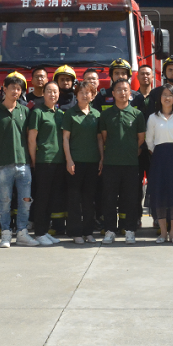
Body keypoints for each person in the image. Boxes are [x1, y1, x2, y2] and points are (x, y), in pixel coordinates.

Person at [0, 74, 37, 248]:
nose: (15, 91)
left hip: (23, 163)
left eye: (18, 89)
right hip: (2, 165)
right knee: (5, 201)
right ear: (4, 89)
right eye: (12, 88)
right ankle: (6, 233)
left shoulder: (25, 111)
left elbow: (30, 138)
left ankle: (22, 232)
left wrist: (31, 160)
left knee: (25, 200)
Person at [99, 79, 147, 244]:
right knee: (109, 199)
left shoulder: (137, 114)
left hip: (131, 164)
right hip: (111, 163)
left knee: (131, 199)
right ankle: (110, 230)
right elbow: (104, 138)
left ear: (130, 93)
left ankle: (130, 230)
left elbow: (140, 139)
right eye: (118, 90)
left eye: (126, 89)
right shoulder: (106, 114)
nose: (122, 93)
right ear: (113, 93)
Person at [146, 84, 173, 244]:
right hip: (159, 159)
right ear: (160, 98)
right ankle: (163, 232)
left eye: (170, 95)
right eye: (164, 95)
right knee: (159, 196)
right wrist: (159, 154)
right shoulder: (153, 117)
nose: (167, 98)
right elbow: (149, 141)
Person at [27, 81, 66, 245]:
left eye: (55, 91)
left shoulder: (60, 113)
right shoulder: (38, 112)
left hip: (59, 161)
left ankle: (45, 231)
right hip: (43, 161)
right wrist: (34, 161)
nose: (52, 94)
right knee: (42, 197)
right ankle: (39, 232)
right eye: (49, 91)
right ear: (43, 94)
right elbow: (32, 139)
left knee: (52, 198)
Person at [63, 83, 102, 244]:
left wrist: (102, 158)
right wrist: (69, 159)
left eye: (88, 93)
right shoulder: (70, 113)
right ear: (76, 95)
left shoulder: (97, 114)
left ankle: (88, 231)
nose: (84, 95)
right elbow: (65, 138)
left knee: (89, 199)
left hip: (92, 161)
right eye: (81, 92)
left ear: (93, 96)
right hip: (75, 161)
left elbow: (99, 139)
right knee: (74, 199)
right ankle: (75, 232)